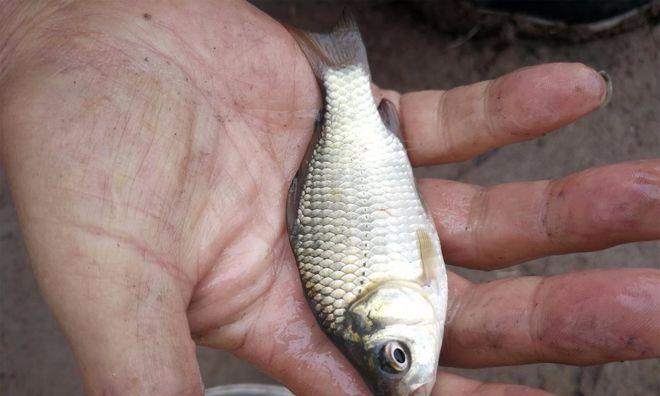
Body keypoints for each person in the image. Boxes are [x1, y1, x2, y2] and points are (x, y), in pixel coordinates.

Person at [1, 1, 658, 395]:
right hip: (367, 168)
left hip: (351, 171)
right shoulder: (413, 295)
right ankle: (346, 67)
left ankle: (342, 68)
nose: (413, 374)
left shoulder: (408, 293)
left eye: (397, 358)